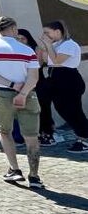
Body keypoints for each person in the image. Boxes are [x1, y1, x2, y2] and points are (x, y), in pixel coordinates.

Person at [0, 16, 43, 188]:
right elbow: (34, 77)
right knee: (31, 137)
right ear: (14, 28)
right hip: (28, 95)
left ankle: (14, 169)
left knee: (5, 132)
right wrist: (22, 93)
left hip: (1, 94)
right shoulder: (26, 50)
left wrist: (11, 85)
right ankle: (34, 176)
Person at [39, 20, 88, 154]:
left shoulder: (69, 45)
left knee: (73, 110)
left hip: (68, 79)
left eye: (47, 32)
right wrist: (46, 46)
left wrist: (48, 45)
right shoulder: (56, 45)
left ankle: (84, 139)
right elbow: (45, 60)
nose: (45, 35)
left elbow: (56, 61)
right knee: (62, 109)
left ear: (58, 32)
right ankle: (81, 137)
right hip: (56, 78)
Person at [16, 28, 55, 147]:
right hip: (23, 84)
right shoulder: (14, 51)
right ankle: (35, 134)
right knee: (29, 111)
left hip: (39, 83)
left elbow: (38, 64)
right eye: (18, 39)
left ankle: (48, 134)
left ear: (28, 39)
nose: (20, 41)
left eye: (23, 38)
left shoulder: (36, 49)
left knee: (43, 109)